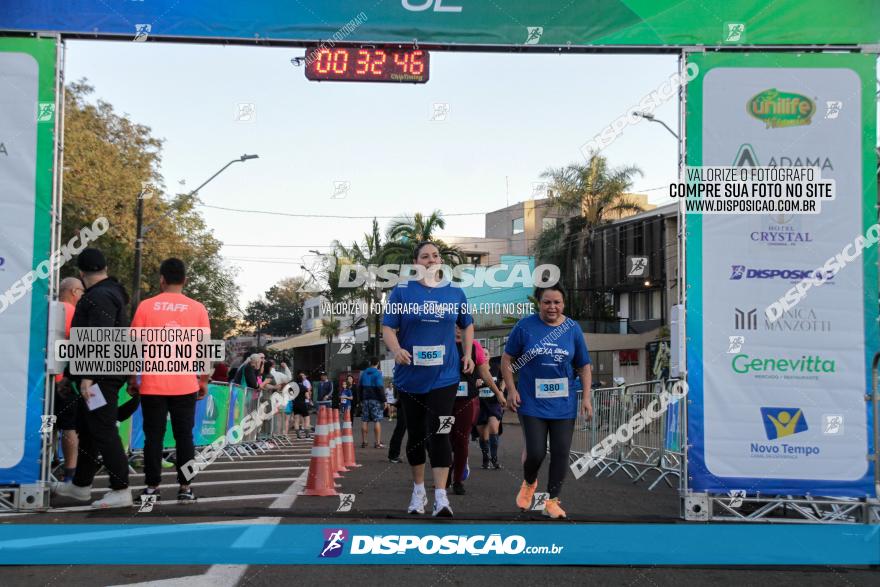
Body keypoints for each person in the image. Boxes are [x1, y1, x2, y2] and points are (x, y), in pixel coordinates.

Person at [382, 241, 474, 517]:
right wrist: (397, 350)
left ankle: (442, 497)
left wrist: (467, 354)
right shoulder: (402, 292)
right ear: (415, 263)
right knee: (417, 436)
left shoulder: (455, 292)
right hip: (410, 377)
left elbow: (467, 324)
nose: (431, 260)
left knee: (440, 432)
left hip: (445, 376)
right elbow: (388, 327)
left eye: (435, 256)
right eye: (425, 256)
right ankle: (418, 490)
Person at [501, 284, 593, 520]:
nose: (552, 307)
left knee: (561, 452)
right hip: (531, 401)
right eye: (547, 302)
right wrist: (511, 389)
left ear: (563, 304)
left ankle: (551, 501)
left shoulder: (572, 329)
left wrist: (587, 397)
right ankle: (529, 482)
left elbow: (583, 365)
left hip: (563, 403)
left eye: (557, 302)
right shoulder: (525, 327)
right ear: (539, 304)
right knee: (536, 452)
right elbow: (507, 359)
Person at [52, 248, 132, 508]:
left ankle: (121, 488)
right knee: (88, 429)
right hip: (100, 375)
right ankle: (80, 486)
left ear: (81, 273)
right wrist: (74, 375)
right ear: (105, 267)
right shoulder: (109, 293)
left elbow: (100, 334)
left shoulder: (100, 296)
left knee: (102, 428)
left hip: (101, 377)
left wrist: (86, 376)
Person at [129, 258, 211, 504]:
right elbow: (205, 350)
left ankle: (151, 488)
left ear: (161, 279)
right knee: (184, 436)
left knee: (153, 436)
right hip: (185, 383)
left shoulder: (146, 306)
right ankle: (185, 488)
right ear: (185, 280)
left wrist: (133, 378)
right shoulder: (198, 309)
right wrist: (203, 380)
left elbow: (134, 346)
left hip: (153, 383)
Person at [449, 328, 506, 494]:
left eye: (462, 327)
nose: (458, 330)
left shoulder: (474, 346)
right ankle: (444, 473)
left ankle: (457, 479)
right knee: (443, 439)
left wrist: (498, 393)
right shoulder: (442, 342)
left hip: (466, 401)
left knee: (461, 440)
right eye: (455, 326)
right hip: (444, 401)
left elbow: (485, 373)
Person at [54, 276, 84, 483]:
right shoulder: (75, 313)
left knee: (47, 426)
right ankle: (70, 472)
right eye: (81, 291)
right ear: (74, 292)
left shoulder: (49, 309)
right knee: (69, 426)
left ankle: (46, 465)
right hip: (65, 381)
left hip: (44, 380)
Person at [476, 368, 507, 470]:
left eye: (486, 354)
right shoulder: (475, 370)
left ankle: (494, 460)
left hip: (494, 403)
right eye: (483, 354)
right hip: (480, 404)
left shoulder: (496, 367)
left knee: (493, 428)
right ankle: (485, 459)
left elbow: (504, 379)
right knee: (483, 435)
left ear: (489, 356)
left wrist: (501, 391)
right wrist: (475, 383)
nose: (484, 356)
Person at [358, 357, 386, 449]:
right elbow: (379, 387)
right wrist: (384, 400)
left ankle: (364, 442)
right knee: (377, 420)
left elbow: (360, 387)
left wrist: (360, 400)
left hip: (365, 399)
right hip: (376, 399)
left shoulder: (364, 373)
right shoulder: (378, 373)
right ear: (377, 363)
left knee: (364, 420)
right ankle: (377, 443)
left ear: (370, 363)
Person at [387, 385, 407, 463]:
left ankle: (393, 455)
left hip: (404, 400)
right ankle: (393, 455)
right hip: (407, 400)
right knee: (400, 429)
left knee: (400, 429)